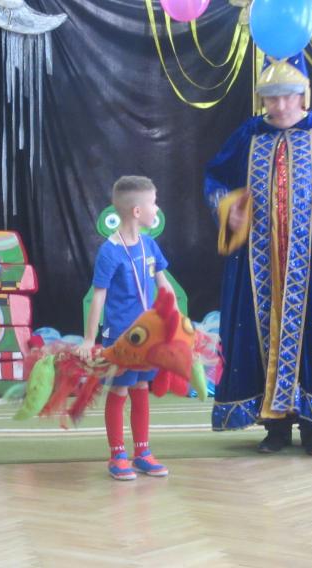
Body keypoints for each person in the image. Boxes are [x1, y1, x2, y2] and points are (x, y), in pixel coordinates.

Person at [204, 54, 312, 455]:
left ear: (303, 96)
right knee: (258, 335)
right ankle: (276, 428)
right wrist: (227, 207)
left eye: (287, 96)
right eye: (272, 97)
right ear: (263, 100)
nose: (280, 105)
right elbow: (215, 177)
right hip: (258, 263)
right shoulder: (249, 135)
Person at [78, 176, 175, 480]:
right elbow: (98, 296)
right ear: (137, 211)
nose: (157, 208)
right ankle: (117, 455)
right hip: (120, 337)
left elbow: (164, 285)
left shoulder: (149, 244)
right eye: (153, 203)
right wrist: (89, 339)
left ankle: (142, 452)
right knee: (120, 388)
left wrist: (174, 321)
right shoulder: (110, 252)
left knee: (141, 386)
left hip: (147, 336)